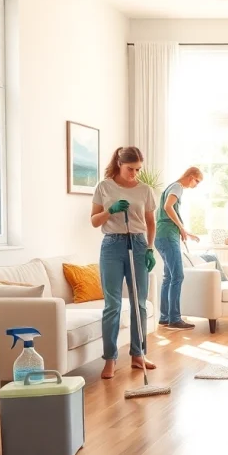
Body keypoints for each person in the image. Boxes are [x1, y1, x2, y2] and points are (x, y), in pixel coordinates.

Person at [90, 146, 158, 380]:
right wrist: (111, 210)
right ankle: (110, 358)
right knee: (113, 305)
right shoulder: (104, 187)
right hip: (111, 245)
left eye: (138, 169)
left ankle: (138, 355)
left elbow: (151, 222)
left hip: (138, 245)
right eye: (131, 169)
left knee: (139, 303)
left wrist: (150, 249)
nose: (134, 174)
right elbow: (94, 221)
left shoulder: (145, 190)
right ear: (120, 163)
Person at [155, 166, 204, 329]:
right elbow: (167, 207)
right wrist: (181, 228)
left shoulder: (171, 186)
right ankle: (174, 318)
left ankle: (164, 317)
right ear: (190, 176)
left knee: (168, 277)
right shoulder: (177, 187)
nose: (196, 185)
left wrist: (185, 231)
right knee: (178, 276)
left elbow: (168, 213)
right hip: (168, 236)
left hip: (162, 235)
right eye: (197, 181)